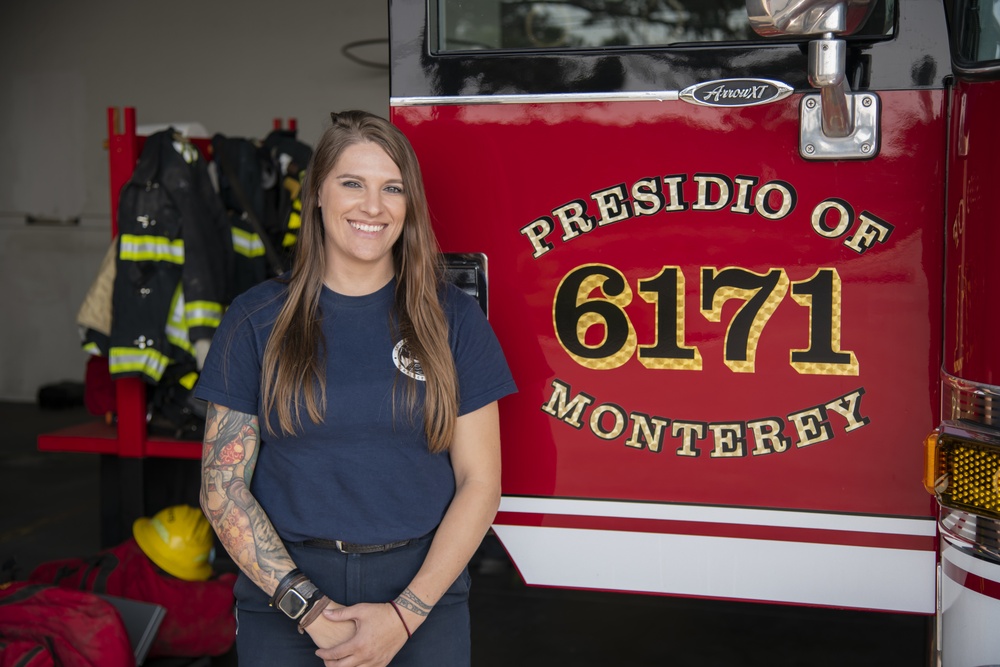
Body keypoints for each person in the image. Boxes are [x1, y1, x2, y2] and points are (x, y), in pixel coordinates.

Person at [194, 110, 517, 667]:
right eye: (352, 183)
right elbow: (222, 487)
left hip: (424, 592)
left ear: (409, 203)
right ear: (317, 193)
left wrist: (405, 615)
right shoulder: (254, 320)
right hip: (285, 597)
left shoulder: (453, 319)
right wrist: (311, 611)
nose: (373, 206)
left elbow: (481, 481)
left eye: (392, 188)